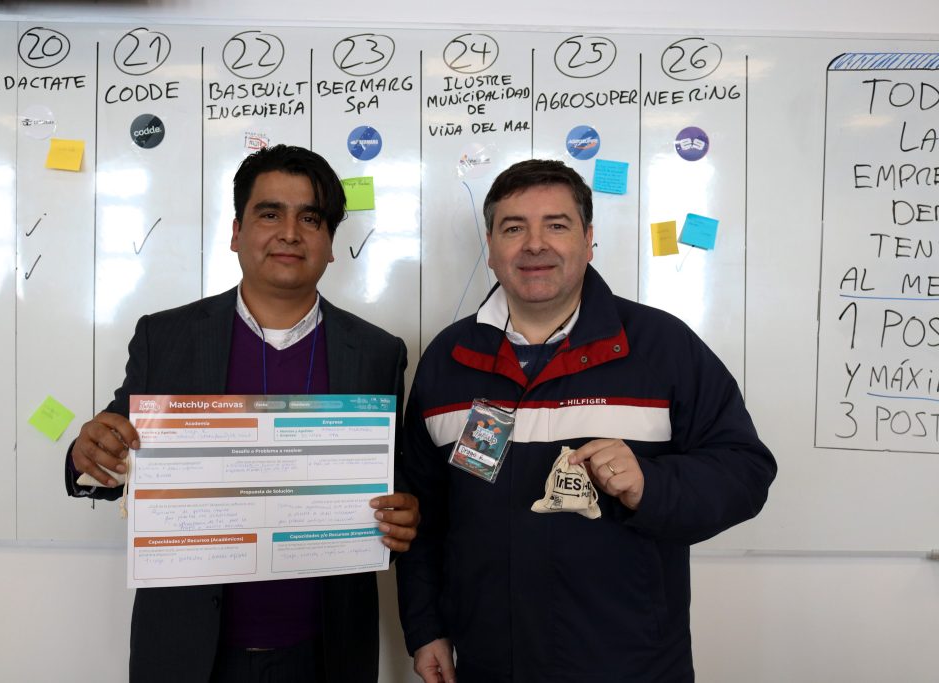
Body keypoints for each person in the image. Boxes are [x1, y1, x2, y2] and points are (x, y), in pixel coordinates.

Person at [397, 159, 776, 682]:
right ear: (490, 246)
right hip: (489, 662)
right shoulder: (447, 360)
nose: (535, 245)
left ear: (589, 239)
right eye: (514, 228)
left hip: (633, 666)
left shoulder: (663, 347)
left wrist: (650, 484)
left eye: (556, 225)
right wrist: (426, 626)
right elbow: (421, 513)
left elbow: (746, 471)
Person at [66, 144, 419, 683]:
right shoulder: (166, 338)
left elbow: (391, 488)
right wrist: (88, 452)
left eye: (311, 219)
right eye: (270, 214)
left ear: (330, 243)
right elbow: (115, 458)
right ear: (236, 232)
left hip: (326, 651)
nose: (290, 233)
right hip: (189, 652)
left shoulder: (377, 352)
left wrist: (404, 514)